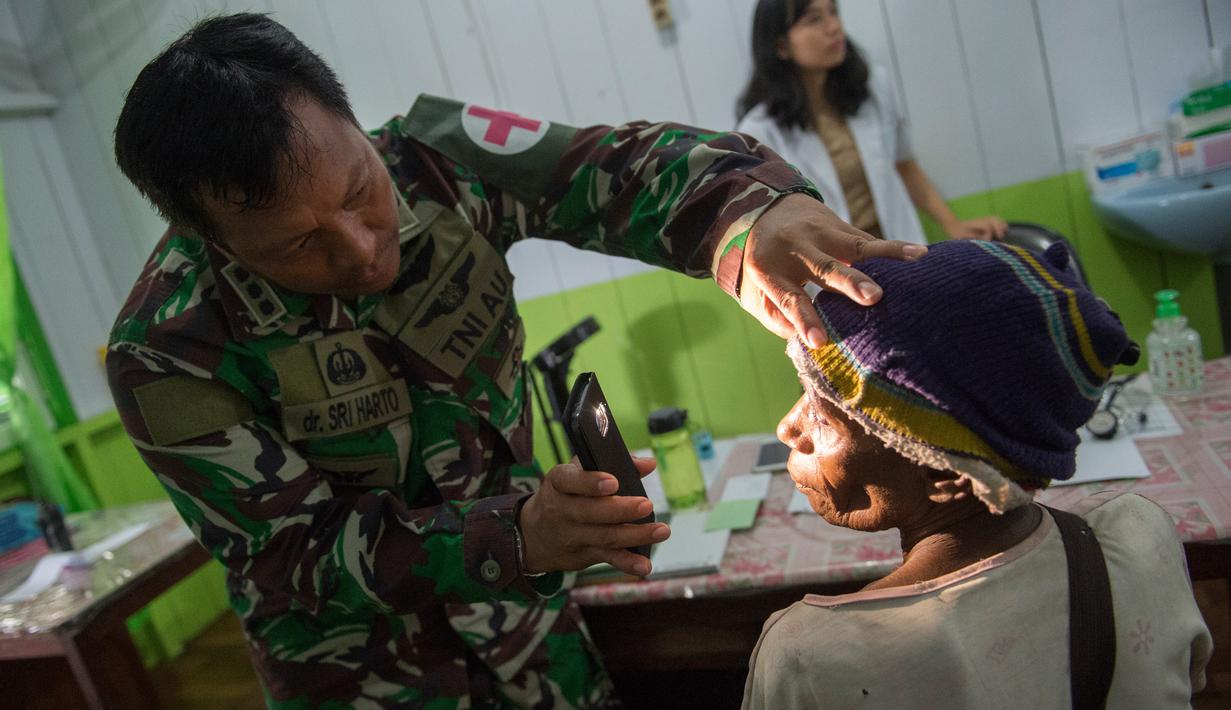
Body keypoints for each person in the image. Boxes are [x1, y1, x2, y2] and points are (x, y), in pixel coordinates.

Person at [106, 13, 925, 709]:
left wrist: (746, 218)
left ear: (357, 126)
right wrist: (517, 534)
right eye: (298, 245)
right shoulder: (168, 348)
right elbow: (290, 556)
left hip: (537, 647)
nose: (360, 251)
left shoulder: (436, 159)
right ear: (214, 243)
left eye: (360, 192)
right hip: (363, 680)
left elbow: (620, 171)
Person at [743, 240, 1212, 709]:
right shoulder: (1136, 533)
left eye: (824, 417)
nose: (789, 428)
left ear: (946, 475)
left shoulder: (809, 656)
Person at [736, 0, 1007, 245]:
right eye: (814, 19)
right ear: (781, 46)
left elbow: (905, 166)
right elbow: (773, 227)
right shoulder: (760, 131)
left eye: (833, 12)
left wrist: (953, 225)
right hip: (836, 274)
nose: (834, 26)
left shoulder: (872, 88)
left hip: (902, 252)